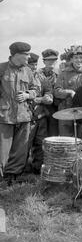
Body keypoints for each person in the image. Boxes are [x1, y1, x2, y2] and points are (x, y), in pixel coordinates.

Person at [0, 42, 39, 185]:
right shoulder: (2, 68)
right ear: (16, 55)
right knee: (2, 150)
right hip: (5, 116)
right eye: (26, 54)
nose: (29, 57)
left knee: (20, 148)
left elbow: (36, 89)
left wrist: (28, 95)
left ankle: (13, 176)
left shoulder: (28, 71)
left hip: (24, 115)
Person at [26, 53, 53, 174]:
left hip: (41, 116)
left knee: (41, 143)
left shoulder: (42, 78)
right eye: (30, 64)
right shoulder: (21, 77)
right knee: (24, 145)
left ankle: (37, 168)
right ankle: (21, 170)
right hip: (26, 118)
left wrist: (46, 98)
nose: (33, 67)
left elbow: (48, 92)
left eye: (35, 64)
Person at [54, 46, 82, 136]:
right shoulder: (64, 73)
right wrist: (70, 92)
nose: (78, 60)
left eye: (81, 58)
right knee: (67, 140)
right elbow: (57, 92)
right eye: (76, 58)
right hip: (66, 111)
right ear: (71, 59)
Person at [39, 49, 59, 136]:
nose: (51, 62)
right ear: (44, 61)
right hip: (40, 106)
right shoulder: (37, 74)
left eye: (53, 60)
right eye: (49, 60)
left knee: (53, 133)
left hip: (55, 107)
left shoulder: (59, 74)